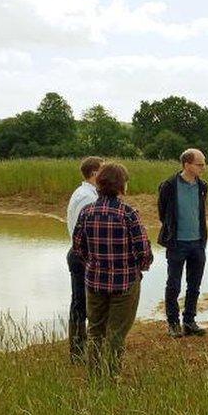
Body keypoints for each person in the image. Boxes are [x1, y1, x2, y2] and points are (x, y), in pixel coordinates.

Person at [72, 162, 153, 379]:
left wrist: (94, 264)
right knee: (116, 334)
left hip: (95, 282)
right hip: (125, 283)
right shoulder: (128, 214)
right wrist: (138, 269)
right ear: (121, 186)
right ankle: (111, 378)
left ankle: (95, 378)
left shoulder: (87, 212)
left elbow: (78, 248)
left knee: (95, 331)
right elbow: (143, 250)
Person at [157, 148, 208, 338]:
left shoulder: (203, 186)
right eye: (200, 164)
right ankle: (173, 324)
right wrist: (172, 233)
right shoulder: (169, 185)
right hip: (177, 243)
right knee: (174, 285)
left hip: (198, 243)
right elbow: (163, 213)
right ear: (187, 165)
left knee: (194, 285)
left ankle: (189, 321)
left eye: (203, 163)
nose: (203, 167)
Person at [65, 156, 103, 363]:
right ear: (95, 173)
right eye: (103, 170)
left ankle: (80, 348)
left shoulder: (84, 193)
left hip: (80, 254)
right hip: (83, 256)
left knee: (81, 302)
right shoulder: (88, 198)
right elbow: (85, 233)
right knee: (82, 303)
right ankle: (78, 351)